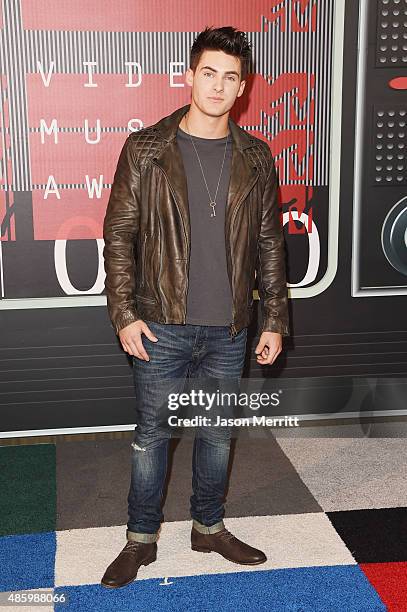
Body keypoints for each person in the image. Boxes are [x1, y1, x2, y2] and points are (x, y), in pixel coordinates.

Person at [101, 26, 290, 589]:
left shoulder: (255, 157)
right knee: (152, 435)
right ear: (189, 75)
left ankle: (208, 527)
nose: (218, 85)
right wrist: (123, 312)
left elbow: (269, 245)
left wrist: (275, 318)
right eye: (208, 73)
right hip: (159, 325)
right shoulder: (147, 149)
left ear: (243, 88)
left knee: (215, 434)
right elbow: (119, 236)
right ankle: (140, 538)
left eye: (230, 77)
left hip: (230, 329)